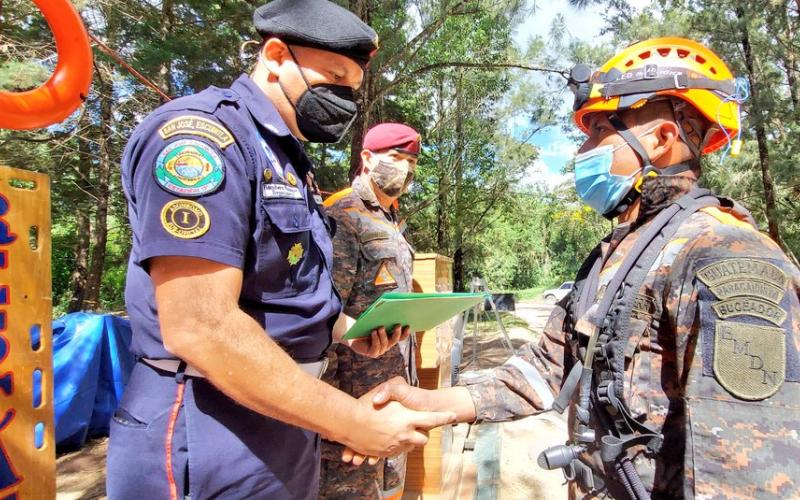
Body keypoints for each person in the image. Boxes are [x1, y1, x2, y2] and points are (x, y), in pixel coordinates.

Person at [351, 38, 800, 498]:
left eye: (599, 129)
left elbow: (750, 476)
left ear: (661, 138)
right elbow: (547, 366)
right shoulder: (620, 250)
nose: (582, 148)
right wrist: (433, 403)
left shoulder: (725, 255)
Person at [107, 1, 455, 498]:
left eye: (352, 88)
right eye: (333, 76)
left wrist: (349, 331)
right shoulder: (204, 139)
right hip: (209, 421)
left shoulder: (289, 161)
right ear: (274, 55)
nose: (343, 98)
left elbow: (290, 289)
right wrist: (351, 420)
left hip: (286, 417)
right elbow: (199, 326)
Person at [319, 123, 420, 499]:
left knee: (390, 491)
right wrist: (334, 418)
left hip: (391, 393)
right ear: (366, 158)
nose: (405, 168)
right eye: (396, 158)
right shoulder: (341, 214)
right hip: (351, 405)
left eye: (411, 161)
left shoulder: (391, 220)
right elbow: (319, 313)